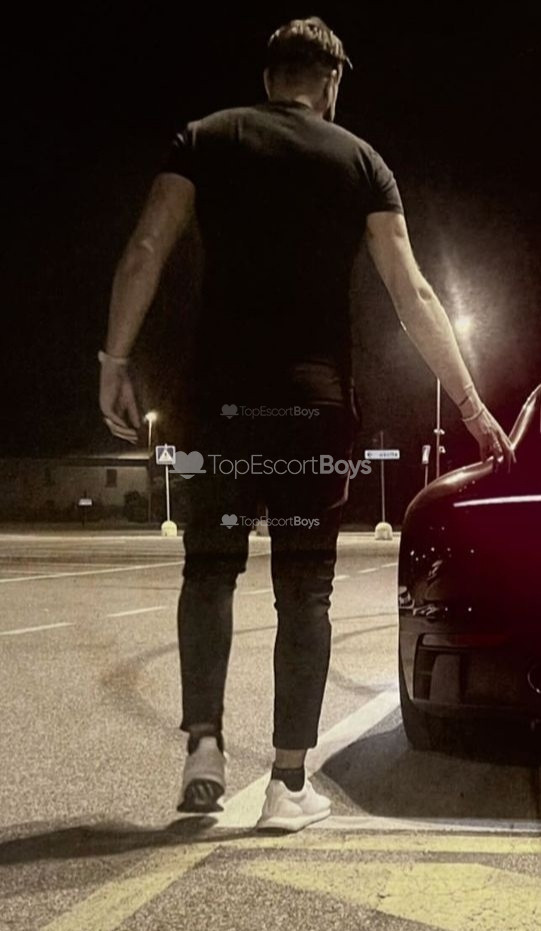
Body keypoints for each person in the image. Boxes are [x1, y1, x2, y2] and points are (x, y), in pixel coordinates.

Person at [99, 17, 515, 832]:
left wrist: (114, 359)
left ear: (268, 78)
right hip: (310, 411)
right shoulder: (360, 162)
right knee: (304, 587)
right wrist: (471, 407)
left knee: (208, 571)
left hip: (217, 408)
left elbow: (146, 247)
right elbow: (413, 294)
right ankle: (287, 785)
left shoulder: (203, 138)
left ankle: (204, 748)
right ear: (330, 82)